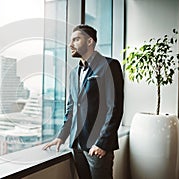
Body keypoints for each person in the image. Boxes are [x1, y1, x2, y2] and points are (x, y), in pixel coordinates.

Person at [42, 24, 124, 179]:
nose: (70, 44)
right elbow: (71, 108)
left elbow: (114, 108)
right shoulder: (74, 74)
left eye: (76, 39)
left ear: (89, 41)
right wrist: (62, 136)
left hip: (97, 146)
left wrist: (102, 143)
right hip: (77, 145)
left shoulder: (110, 65)